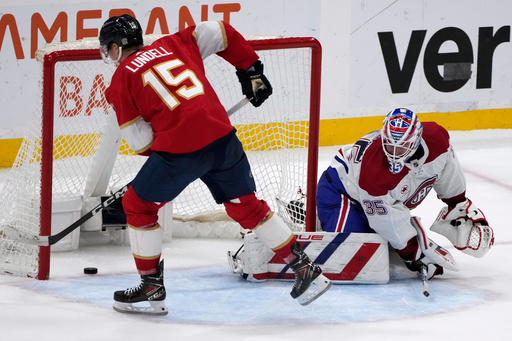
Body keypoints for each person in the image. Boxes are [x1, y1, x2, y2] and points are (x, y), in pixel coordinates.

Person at [98, 15, 331, 315]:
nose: (109, 56)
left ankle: (151, 286)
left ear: (116, 48)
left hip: (179, 153)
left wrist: (160, 168)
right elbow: (221, 31)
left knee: (138, 206)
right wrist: (250, 68)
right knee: (245, 206)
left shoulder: (120, 79)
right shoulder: (175, 42)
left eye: (108, 49)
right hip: (223, 139)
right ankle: (304, 267)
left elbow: (141, 142)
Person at [316, 108, 494, 280]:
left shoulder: (436, 139)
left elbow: (448, 168)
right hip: (341, 194)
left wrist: (457, 203)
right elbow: (387, 222)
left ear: (416, 140)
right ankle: (317, 215)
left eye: (401, 148)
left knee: (379, 244)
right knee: (349, 258)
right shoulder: (375, 172)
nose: (393, 154)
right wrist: (414, 254)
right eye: (389, 145)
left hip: (373, 199)